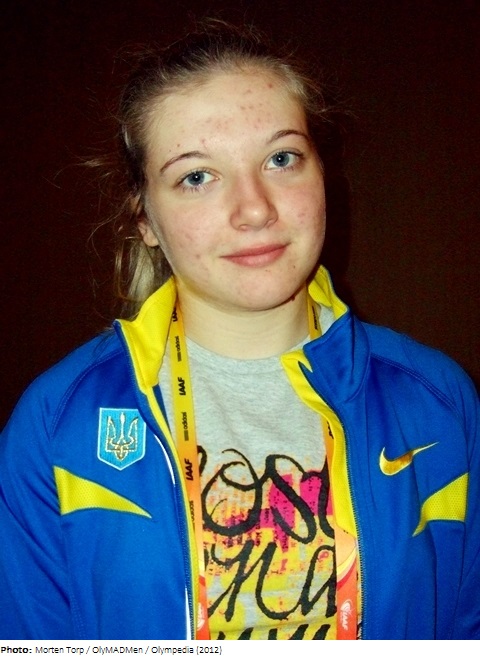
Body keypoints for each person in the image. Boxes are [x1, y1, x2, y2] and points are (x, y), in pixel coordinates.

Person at [0, 21, 479, 642]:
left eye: (281, 159)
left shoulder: (440, 402)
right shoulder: (55, 422)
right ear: (144, 218)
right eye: (197, 176)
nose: (255, 208)